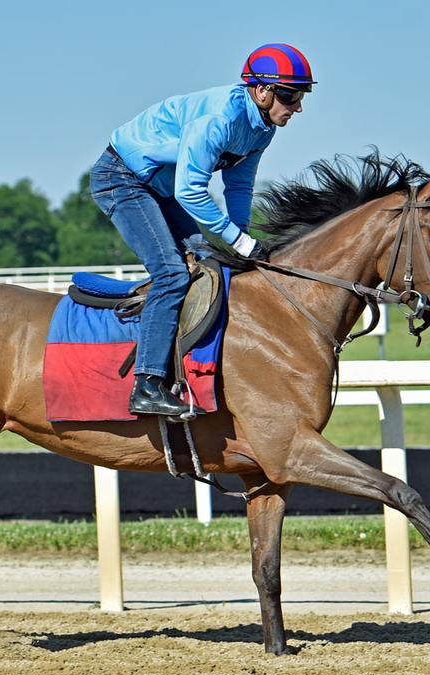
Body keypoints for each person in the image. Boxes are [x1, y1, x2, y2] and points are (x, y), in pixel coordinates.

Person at [90, 43, 316, 417]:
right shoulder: (219, 119)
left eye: (302, 96)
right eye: (291, 96)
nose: (298, 107)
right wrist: (238, 240)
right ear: (262, 91)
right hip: (123, 179)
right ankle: (146, 385)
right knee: (172, 274)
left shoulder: (261, 128)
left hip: (159, 187)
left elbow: (238, 187)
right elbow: (190, 190)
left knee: (212, 262)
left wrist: (240, 242)